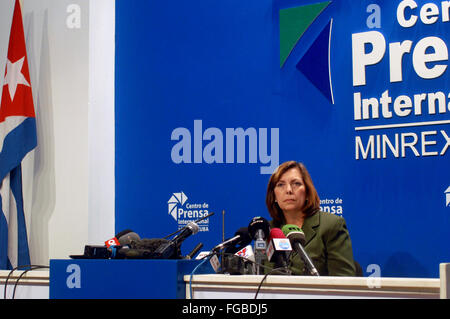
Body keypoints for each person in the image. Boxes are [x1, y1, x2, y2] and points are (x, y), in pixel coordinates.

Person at [266, 160, 356, 276]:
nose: (288, 190)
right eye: (280, 185)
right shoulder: (268, 231)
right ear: (274, 196)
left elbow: (344, 281)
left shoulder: (331, 225)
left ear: (307, 192)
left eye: (296, 183)